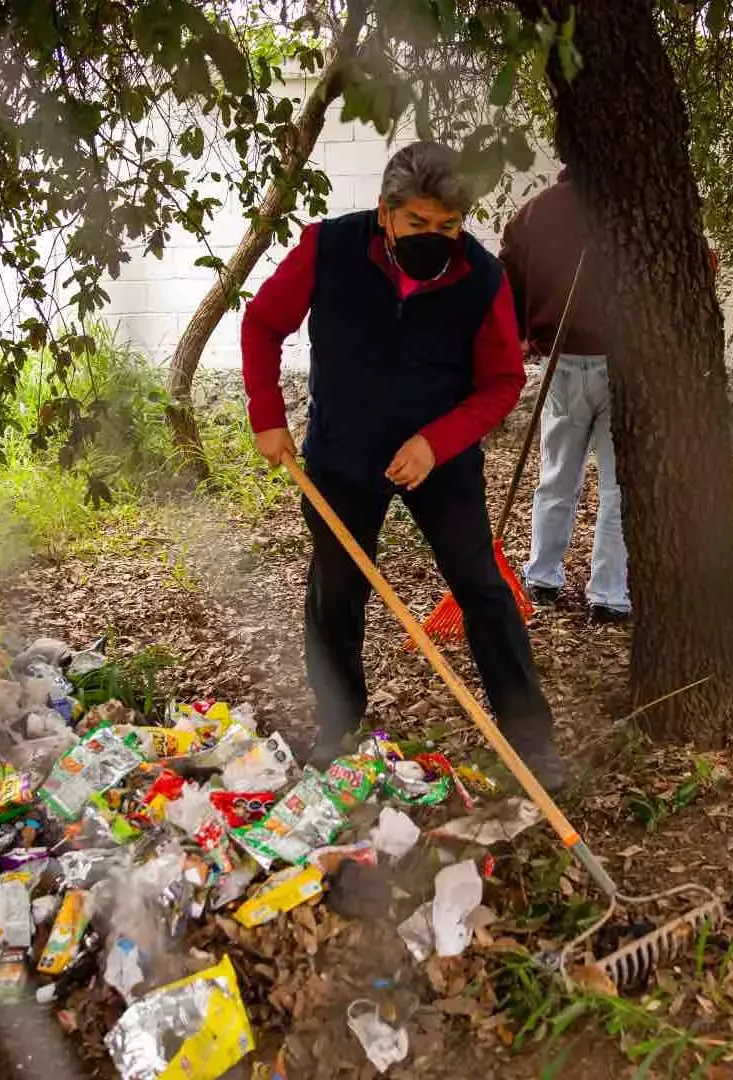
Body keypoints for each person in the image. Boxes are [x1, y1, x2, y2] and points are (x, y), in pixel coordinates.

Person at [241, 141, 568, 790]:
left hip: (437, 462)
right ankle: (337, 726)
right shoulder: (327, 249)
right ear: (386, 214)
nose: (435, 238)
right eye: (419, 224)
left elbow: (502, 381)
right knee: (337, 591)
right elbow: (262, 323)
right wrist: (266, 414)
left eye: (448, 226)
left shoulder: (481, 276)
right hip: (341, 455)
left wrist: (436, 442)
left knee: (481, 587)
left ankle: (531, 741)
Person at [500, 168, 629, 624]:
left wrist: (518, 331)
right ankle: (609, 595)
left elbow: (506, 266)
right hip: (620, 362)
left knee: (558, 473)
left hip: (563, 360)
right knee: (618, 485)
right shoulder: (632, 204)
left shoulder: (536, 211)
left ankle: (543, 577)